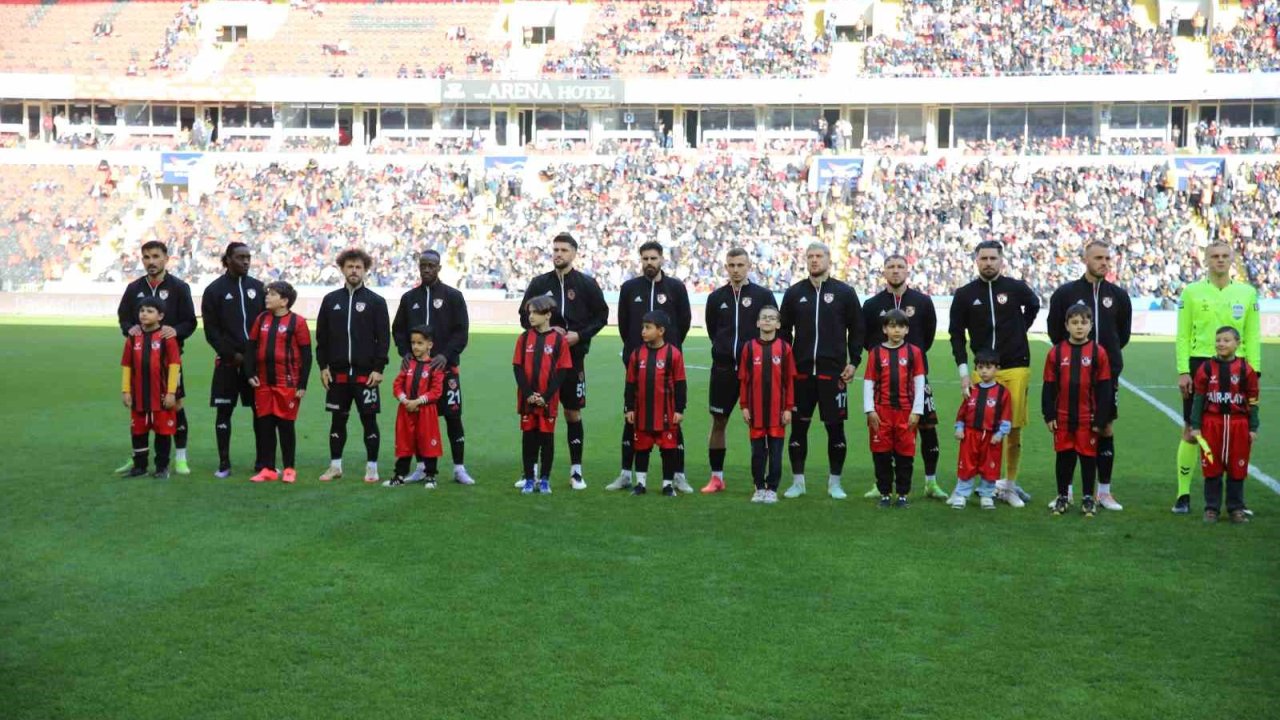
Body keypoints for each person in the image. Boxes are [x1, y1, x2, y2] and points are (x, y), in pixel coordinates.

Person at [949, 240, 1040, 508]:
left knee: (1012, 428)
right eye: (983, 258)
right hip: (982, 370)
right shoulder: (965, 294)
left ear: (1002, 261)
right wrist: (965, 372)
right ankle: (967, 483)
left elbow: (1033, 304)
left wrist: (1019, 330)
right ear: (976, 261)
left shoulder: (1015, 288)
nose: (988, 263)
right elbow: (956, 335)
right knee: (975, 429)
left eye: (993, 258)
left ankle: (1008, 484)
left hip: (1015, 366)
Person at [1172, 241, 1261, 514]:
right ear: (1206, 260)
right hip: (1201, 364)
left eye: (1224, 256)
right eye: (1215, 256)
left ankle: (1235, 501)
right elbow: (1183, 334)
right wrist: (1184, 370)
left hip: (1238, 368)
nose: (1220, 261)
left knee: (1240, 432)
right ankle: (1183, 495)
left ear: (1232, 259)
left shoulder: (1247, 293)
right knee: (1191, 429)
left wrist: (1254, 370)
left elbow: (1253, 334)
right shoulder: (1192, 292)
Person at [518, 232, 609, 490]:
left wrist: (579, 336)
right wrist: (546, 333)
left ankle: (576, 471)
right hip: (540, 361)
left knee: (572, 412)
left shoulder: (586, 284)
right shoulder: (539, 283)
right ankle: (531, 472)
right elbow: (524, 316)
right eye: (555, 249)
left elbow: (602, 316)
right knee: (535, 411)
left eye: (564, 250)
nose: (558, 254)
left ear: (574, 253)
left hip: (573, 358)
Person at [1046, 241, 1132, 510]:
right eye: (1098, 258)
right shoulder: (1065, 293)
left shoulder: (1118, 295)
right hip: (1070, 375)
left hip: (1106, 375)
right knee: (1069, 427)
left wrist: (1105, 359)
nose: (1104, 262)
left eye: (1107, 258)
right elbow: (1054, 331)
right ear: (1085, 259)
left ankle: (1103, 492)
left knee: (1104, 427)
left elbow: (1123, 335)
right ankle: (1067, 492)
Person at [778, 242, 863, 500]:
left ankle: (834, 483)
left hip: (834, 374)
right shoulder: (794, 293)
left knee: (835, 428)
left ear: (829, 259)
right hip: (801, 374)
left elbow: (857, 329)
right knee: (798, 429)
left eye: (819, 256)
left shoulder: (844, 292)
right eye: (810, 256)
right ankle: (798, 482)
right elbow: (783, 332)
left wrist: (854, 360)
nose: (814, 260)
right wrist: (787, 363)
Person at [608, 241, 692, 493]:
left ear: (662, 259)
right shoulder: (629, 288)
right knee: (631, 417)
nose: (649, 263)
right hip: (639, 363)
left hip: (666, 365)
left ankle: (677, 475)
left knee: (673, 421)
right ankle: (626, 474)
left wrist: (671, 348)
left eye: (653, 258)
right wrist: (635, 349)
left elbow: (684, 321)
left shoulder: (676, 287)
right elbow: (624, 324)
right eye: (645, 259)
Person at [861, 254, 946, 500]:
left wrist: (910, 360)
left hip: (916, 377)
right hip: (884, 381)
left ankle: (931, 482)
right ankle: (882, 484)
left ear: (907, 271)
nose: (895, 271)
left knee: (927, 428)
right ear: (884, 271)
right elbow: (867, 338)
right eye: (890, 267)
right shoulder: (871, 304)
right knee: (880, 430)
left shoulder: (923, 301)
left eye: (900, 267)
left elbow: (927, 337)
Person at [392, 249, 474, 486]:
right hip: (416, 373)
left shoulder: (453, 296)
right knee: (418, 419)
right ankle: (421, 467)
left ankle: (459, 468)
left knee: (453, 417)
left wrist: (446, 356)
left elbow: (461, 332)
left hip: (446, 371)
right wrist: (405, 352)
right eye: (423, 265)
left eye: (431, 265)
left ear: (439, 268)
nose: (426, 269)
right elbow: (398, 330)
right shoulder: (409, 298)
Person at [115, 241, 197, 476]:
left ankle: (180, 457)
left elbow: (189, 321)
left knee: (175, 405)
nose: (151, 262)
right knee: (140, 409)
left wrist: (176, 331)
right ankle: (138, 459)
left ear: (165, 259)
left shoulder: (179, 287)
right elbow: (123, 318)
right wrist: (129, 329)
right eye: (146, 257)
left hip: (169, 362)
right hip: (141, 360)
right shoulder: (134, 288)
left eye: (155, 256)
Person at [702, 247, 775, 494]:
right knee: (719, 421)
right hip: (723, 370)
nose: (736, 270)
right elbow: (713, 330)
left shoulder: (763, 295)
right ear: (726, 267)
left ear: (748, 266)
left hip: (755, 370)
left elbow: (775, 328)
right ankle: (716, 477)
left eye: (740, 265)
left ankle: (759, 481)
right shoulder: (716, 298)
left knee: (758, 424)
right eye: (731, 265)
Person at [315, 248, 391, 484]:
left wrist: (379, 368)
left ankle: (372, 467)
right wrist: (323, 366)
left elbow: (383, 339)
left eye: (358, 267)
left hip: (365, 375)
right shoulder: (331, 301)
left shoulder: (376, 302)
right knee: (338, 420)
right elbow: (322, 338)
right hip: (337, 375)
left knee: (369, 420)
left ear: (365, 270)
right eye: (350, 267)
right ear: (342, 269)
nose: (354, 271)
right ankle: (335, 466)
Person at [202, 242, 266, 479]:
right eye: (241, 257)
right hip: (228, 363)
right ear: (227, 259)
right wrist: (233, 355)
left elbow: (265, 324)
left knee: (260, 413)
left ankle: (263, 462)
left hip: (255, 364)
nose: (246, 261)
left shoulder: (258, 288)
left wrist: (253, 356)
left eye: (248, 257)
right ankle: (224, 463)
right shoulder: (214, 291)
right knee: (223, 412)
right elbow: (212, 331)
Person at [1042, 305, 1113, 517]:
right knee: (1063, 457)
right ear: (1066, 325)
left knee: (1088, 458)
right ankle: (1062, 496)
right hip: (1063, 417)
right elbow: (1048, 386)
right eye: (1074, 323)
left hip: (1087, 418)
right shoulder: (1055, 352)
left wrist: (1100, 419)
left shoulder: (1098, 353)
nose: (1079, 327)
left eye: (1083, 322)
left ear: (1091, 325)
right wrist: (1049, 414)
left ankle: (1088, 498)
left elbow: (1105, 389)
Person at [1189, 327, 1260, 524]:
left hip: (1238, 424)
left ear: (1237, 343)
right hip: (1212, 423)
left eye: (1227, 340)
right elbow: (1198, 399)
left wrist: (1253, 427)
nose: (1221, 343)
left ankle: (1236, 509)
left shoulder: (1246, 369)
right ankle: (1211, 508)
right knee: (1212, 466)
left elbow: (1253, 400)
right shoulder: (1206, 368)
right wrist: (1195, 425)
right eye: (1218, 339)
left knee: (1237, 467)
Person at [244, 281, 312, 485]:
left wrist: (302, 385)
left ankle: (289, 468)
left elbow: (307, 355)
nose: (267, 297)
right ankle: (268, 468)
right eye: (268, 294)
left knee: (285, 426)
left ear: (284, 301)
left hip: (287, 383)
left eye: (272, 294)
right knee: (265, 426)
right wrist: (249, 373)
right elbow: (251, 347)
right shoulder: (261, 319)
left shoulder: (297, 322)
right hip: (263, 383)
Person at [623, 311, 688, 497]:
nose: (643, 331)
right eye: (643, 327)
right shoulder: (637, 354)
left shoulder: (673, 354)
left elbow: (680, 383)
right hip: (643, 412)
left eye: (648, 328)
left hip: (666, 413)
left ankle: (667, 485)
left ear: (661, 331)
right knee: (641, 449)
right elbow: (630, 384)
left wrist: (679, 409)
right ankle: (640, 484)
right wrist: (629, 408)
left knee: (668, 451)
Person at [514, 296, 574, 494]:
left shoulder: (558, 341)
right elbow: (518, 368)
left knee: (546, 441)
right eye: (529, 312)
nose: (530, 316)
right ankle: (530, 479)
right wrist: (529, 393)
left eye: (535, 312)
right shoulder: (523, 339)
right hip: (527, 400)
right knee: (528, 440)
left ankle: (545, 479)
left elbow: (562, 371)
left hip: (548, 401)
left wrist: (546, 396)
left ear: (547, 315)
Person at [738, 305, 795, 504]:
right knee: (757, 452)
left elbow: (789, 382)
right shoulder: (748, 347)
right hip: (755, 411)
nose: (768, 321)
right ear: (758, 322)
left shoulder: (785, 348)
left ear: (778, 324)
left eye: (772, 318)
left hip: (777, 412)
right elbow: (744, 380)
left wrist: (788, 408)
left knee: (776, 453)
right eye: (764, 317)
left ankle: (772, 488)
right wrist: (744, 406)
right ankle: (759, 487)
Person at [120, 298, 181, 479]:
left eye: (149, 311)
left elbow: (174, 365)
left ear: (160, 316)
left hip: (161, 396)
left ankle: (162, 468)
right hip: (139, 396)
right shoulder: (133, 336)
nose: (144, 314)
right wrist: (126, 390)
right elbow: (126, 365)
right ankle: (140, 467)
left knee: (163, 433)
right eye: (142, 311)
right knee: (138, 432)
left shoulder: (166, 338)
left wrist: (171, 393)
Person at [948, 351, 1012, 510]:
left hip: (991, 437)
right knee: (966, 465)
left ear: (997, 369)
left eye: (988, 367)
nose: (984, 371)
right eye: (980, 367)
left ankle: (986, 495)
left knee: (989, 466)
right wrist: (959, 428)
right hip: (970, 435)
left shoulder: (1003, 393)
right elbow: (962, 412)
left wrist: (1000, 433)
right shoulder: (972, 389)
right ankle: (962, 495)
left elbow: (1006, 416)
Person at [385, 327, 445, 489]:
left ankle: (430, 476)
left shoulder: (435, 366)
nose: (416, 346)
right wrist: (405, 400)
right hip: (406, 410)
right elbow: (397, 385)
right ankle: (399, 476)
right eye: (413, 343)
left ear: (429, 345)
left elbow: (436, 391)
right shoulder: (408, 364)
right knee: (405, 442)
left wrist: (417, 401)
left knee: (428, 442)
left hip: (426, 411)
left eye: (420, 343)